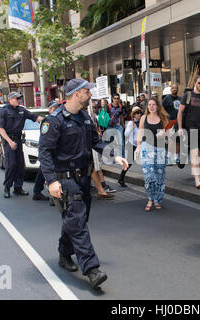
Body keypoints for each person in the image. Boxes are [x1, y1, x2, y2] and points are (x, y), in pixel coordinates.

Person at [38, 78, 128, 288]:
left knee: (77, 219)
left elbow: (96, 142)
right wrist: (51, 181)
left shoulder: (86, 117)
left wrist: (114, 157)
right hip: (66, 180)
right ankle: (92, 269)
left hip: (84, 178)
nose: (90, 94)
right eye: (87, 91)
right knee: (77, 221)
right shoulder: (55, 120)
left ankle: (64, 253)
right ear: (77, 93)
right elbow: (45, 152)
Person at [0, 92, 43, 198]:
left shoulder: (22, 110)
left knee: (20, 165)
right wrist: (9, 141)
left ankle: (18, 188)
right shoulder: (3, 111)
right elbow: (0, 128)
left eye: (20, 98)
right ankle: (7, 187)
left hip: (18, 140)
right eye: (17, 98)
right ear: (10, 99)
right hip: (9, 141)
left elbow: (35, 117)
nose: (19, 100)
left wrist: (48, 120)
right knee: (11, 164)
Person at [177, 75, 200, 188]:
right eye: (199, 83)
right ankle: (197, 179)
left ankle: (199, 174)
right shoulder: (188, 96)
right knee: (194, 153)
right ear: (195, 83)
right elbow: (180, 112)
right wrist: (180, 128)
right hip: (191, 127)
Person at [135, 98, 169, 212]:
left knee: (160, 176)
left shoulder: (163, 118)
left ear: (157, 106)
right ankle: (150, 198)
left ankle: (157, 199)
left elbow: (170, 134)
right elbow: (140, 132)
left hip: (160, 149)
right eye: (149, 104)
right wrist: (138, 146)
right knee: (149, 176)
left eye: (153, 104)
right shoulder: (144, 118)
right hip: (146, 148)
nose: (151, 106)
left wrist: (164, 133)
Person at [33, 100, 60, 201]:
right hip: (50, 150)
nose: (57, 109)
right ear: (50, 110)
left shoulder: (59, 119)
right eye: (54, 108)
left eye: (57, 107)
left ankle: (37, 191)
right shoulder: (48, 121)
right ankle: (52, 195)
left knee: (43, 171)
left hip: (57, 149)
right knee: (48, 171)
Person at [118, 106, 142, 187]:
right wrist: (131, 129)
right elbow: (125, 134)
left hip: (138, 145)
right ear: (134, 115)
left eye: (140, 113)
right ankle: (121, 179)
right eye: (137, 113)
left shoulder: (140, 123)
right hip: (131, 145)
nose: (139, 114)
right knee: (129, 163)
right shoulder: (131, 123)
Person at [162, 83, 182, 164]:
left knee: (177, 140)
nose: (175, 89)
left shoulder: (180, 99)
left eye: (176, 88)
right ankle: (169, 158)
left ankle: (176, 157)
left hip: (178, 122)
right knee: (171, 140)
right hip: (170, 122)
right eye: (173, 88)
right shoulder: (167, 98)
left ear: (178, 89)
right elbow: (162, 109)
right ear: (171, 89)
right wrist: (165, 119)